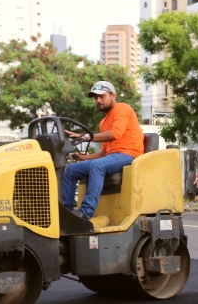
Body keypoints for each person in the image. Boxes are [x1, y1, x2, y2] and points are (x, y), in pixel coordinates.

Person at [61, 81, 144, 220]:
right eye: (95, 98)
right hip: (112, 157)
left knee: (97, 165)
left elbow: (116, 134)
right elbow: (104, 152)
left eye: (101, 96)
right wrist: (83, 158)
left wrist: (87, 137)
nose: (98, 101)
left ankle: (85, 213)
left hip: (129, 155)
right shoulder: (103, 122)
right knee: (71, 170)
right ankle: (66, 213)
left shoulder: (122, 108)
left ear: (113, 95)